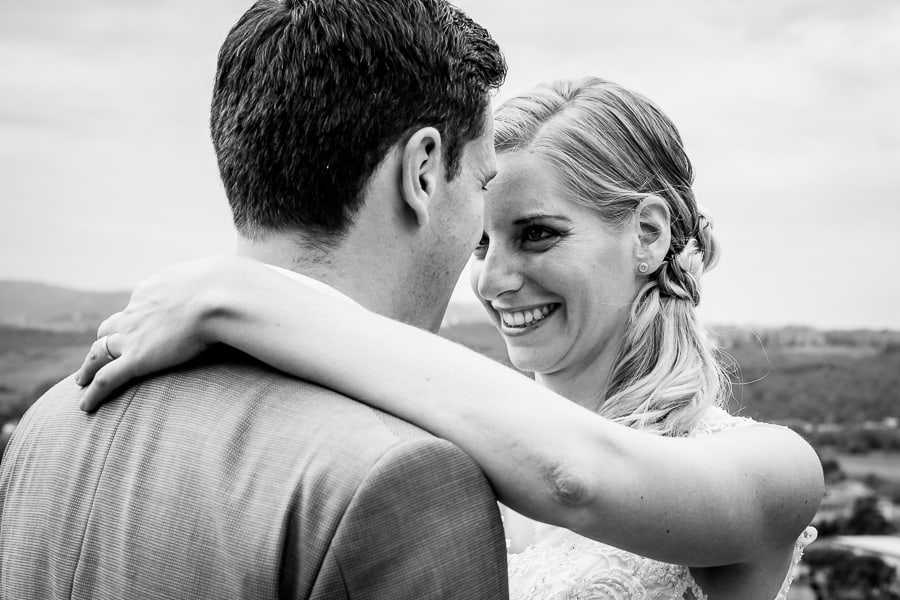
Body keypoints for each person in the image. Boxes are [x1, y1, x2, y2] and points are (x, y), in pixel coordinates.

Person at [74, 78, 825, 599]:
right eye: (479, 244)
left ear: (650, 234)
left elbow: (576, 478)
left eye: (536, 236)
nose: (494, 281)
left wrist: (241, 292)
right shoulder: (437, 457)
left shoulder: (772, 470)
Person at [0, 1, 510, 598]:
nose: (481, 235)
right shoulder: (405, 476)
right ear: (422, 171)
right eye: (480, 183)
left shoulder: (52, 421)